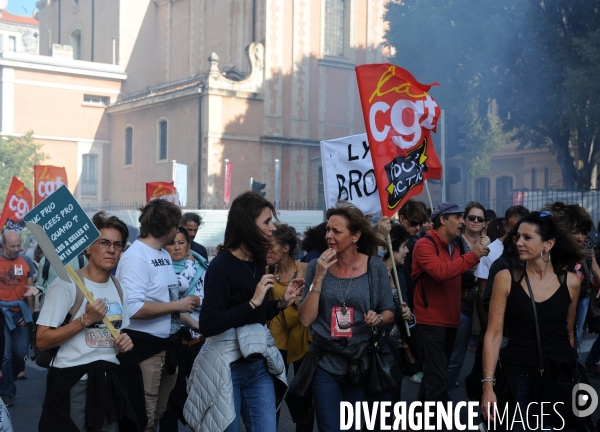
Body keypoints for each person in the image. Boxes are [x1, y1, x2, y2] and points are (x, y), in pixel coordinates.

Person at [187, 191, 302, 432]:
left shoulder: (259, 261)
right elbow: (208, 323)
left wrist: (281, 304)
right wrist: (252, 302)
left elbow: (255, 315)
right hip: (227, 366)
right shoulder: (221, 266)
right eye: (267, 222)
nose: (273, 228)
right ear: (248, 226)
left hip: (258, 362)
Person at [292, 201, 395, 432]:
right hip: (325, 362)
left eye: (336, 231)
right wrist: (318, 277)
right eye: (328, 229)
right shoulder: (316, 267)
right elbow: (305, 320)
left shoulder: (375, 267)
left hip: (360, 364)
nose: (329, 235)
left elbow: (389, 311)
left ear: (355, 236)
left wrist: (377, 318)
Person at [482, 211, 584, 430]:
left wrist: (568, 373)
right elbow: (493, 335)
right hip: (518, 375)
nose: (518, 242)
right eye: (518, 236)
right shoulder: (506, 278)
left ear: (548, 244)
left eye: (527, 238)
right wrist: (488, 387)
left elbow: (568, 332)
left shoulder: (571, 283)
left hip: (558, 377)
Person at [36, 212, 136, 431]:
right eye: (104, 242)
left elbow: (120, 334)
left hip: (109, 382)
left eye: (118, 245)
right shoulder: (66, 285)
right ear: (88, 248)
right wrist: (85, 320)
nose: (112, 249)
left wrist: (125, 341)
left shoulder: (119, 287)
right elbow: (42, 341)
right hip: (74, 383)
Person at [116, 199, 196, 432]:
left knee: (157, 416)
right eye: (177, 224)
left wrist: (195, 324)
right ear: (167, 226)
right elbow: (133, 308)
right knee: (144, 419)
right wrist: (178, 305)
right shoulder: (136, 257)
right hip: (145, 351)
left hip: (166, 347)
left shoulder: (162, 253)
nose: (179, 229)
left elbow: (167, 303)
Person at [411, 202, 489, 414]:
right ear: (443, 220)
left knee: (433, 378)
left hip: (450, 320)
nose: (463, 221)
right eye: (458, 217)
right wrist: (474, 255)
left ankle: (415, 422)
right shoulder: (425, 245)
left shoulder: (453, 245)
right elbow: (440, 272)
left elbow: (458, 275)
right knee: (438, 381)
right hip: (431, 322)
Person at [159, 227, 208, 432]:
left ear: (189, 246)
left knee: (203, 397)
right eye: (172, 243)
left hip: (199, 342)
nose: (176, 247)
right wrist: (189, 264)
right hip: (172, 342)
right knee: (170, 398)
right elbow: (174, 293)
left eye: (181, 243)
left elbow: (211, 299)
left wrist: (199, 300)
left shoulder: (203, 268)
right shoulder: (161, 268)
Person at [265, 224, 313, 432]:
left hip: (302, 337)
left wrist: (304, 299)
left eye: (271, 245)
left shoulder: (307, 269)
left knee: (303, 396)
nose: (266, 250)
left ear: (285, 248)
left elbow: (320, 300)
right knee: (272, 397)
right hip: (275, 340)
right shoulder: (265, 272)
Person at [446, 202, 487, 398]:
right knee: (456, 358)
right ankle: (441, 401)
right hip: (461, 307)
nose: (476, 222)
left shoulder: (490, 243)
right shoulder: (456, 243)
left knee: (485, 358)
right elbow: (455, 274)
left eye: (480, 218)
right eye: (472, 218)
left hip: (485, 309)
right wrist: (478, 278)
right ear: (465, 220)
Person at [0, 230, 37, 407]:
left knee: (20, 353)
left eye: (18, 245)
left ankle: (10, 379)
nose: (16, 249)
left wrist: (29, 313)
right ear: (4, 245)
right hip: (2, 313)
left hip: (20, 312)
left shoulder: (26, 261)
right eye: (12, 246)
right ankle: (6, 392)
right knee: (5, 355)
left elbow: (30, 289)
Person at [381, 223, 417, 403]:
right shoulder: (374, 274)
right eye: (403, 246)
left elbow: (408, 313)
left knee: (395, 396)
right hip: (379, 347)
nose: (407, 251)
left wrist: (409, 316)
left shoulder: (400, 277)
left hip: (397, 348)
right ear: (391, 247)